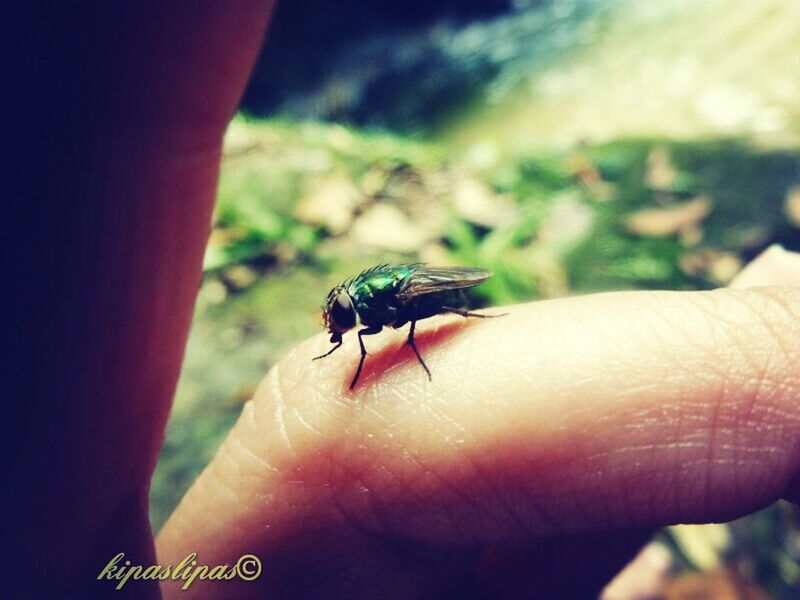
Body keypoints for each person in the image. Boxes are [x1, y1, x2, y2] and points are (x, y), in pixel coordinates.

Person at [7, 3, 800, 598]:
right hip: (418, 295)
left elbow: (405, 307)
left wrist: (420, 328)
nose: (343, 329)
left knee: (434, 314)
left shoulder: (376, 310)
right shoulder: (359, 313)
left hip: (430, 295)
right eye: (342, 324)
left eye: (342, 322)